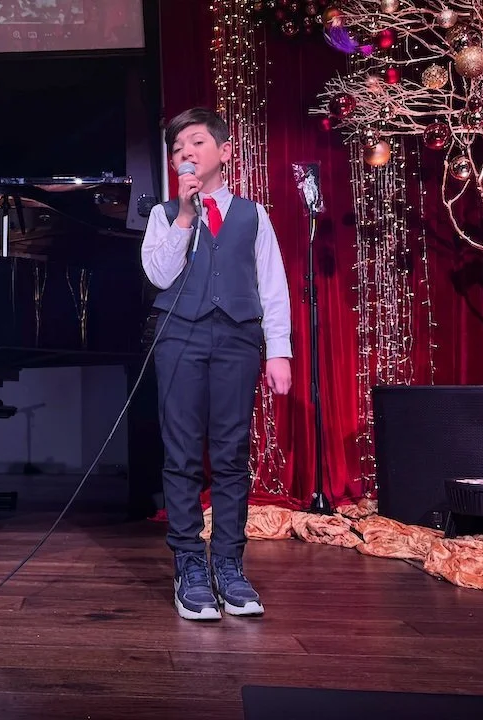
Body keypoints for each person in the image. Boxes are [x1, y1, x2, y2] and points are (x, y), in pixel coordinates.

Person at [141, 107, 293, 621]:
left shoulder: (253, 214)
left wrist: (279, 351)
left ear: (224, 152)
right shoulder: (164, 214)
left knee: (230, 455)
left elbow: (272, 285)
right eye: (178, 148)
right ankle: (189, 565)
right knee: (181, 454)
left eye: (197, 143)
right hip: (178, 336)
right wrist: (184, 216)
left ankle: (228, 563)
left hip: (237, 338)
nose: (185, 152)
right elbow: (160, 276)